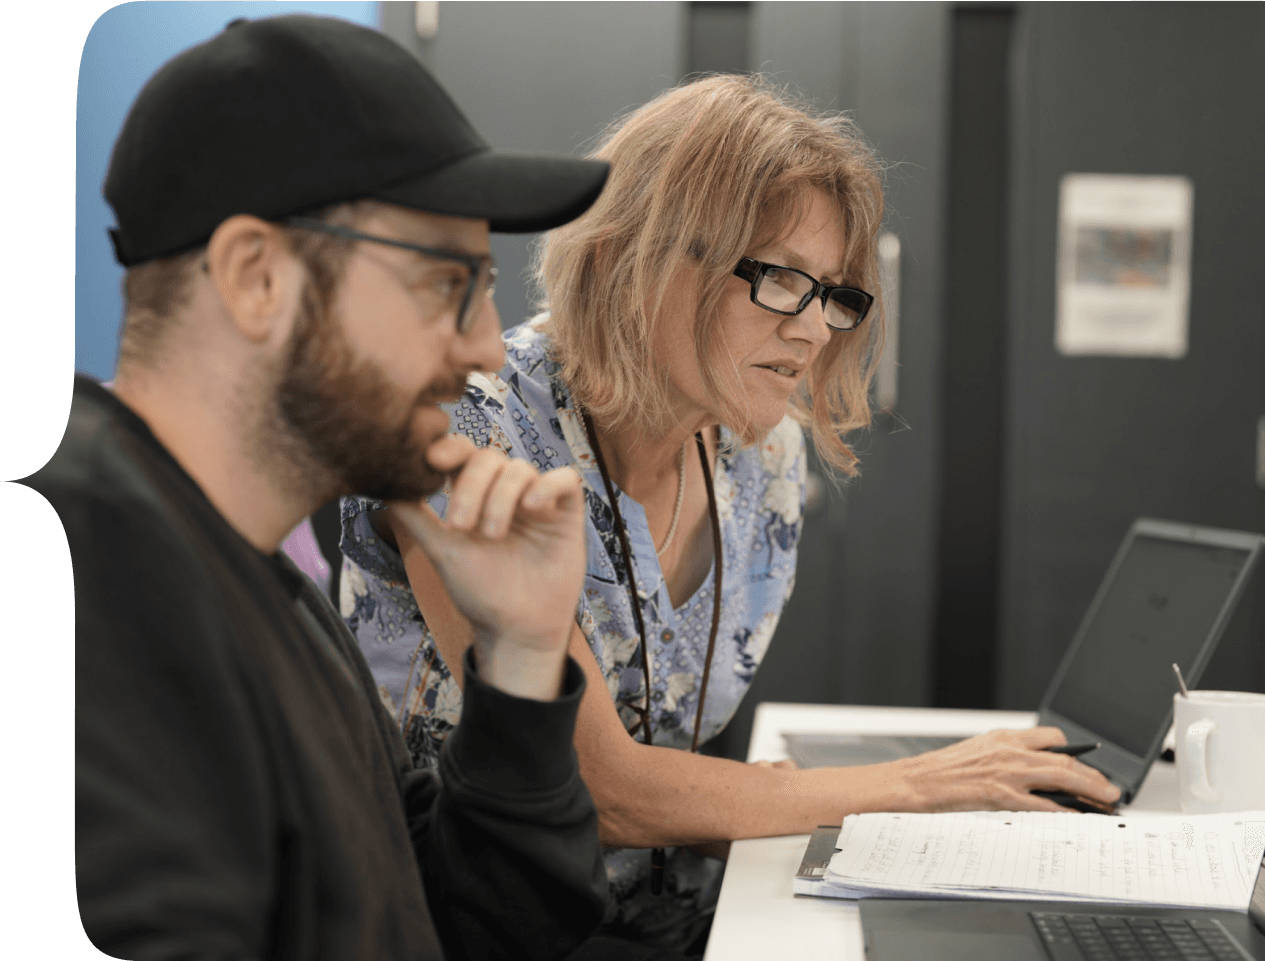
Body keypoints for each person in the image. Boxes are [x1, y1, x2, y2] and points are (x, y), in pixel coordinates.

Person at [341, 74, 1120, 954]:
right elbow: (601, 786)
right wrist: (917, 785)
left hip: (674, 920)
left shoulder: (763, 458)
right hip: (475, 928)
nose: (818, 329)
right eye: (784, 278)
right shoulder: (472, 428)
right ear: (636, 254)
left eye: (833, 292)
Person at [25, 15, 616, 960]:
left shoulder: (269, 576)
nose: (482, 348)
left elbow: (464, 923)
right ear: (257, 277)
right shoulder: (85, 565)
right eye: (447, 284)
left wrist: (519, 656)